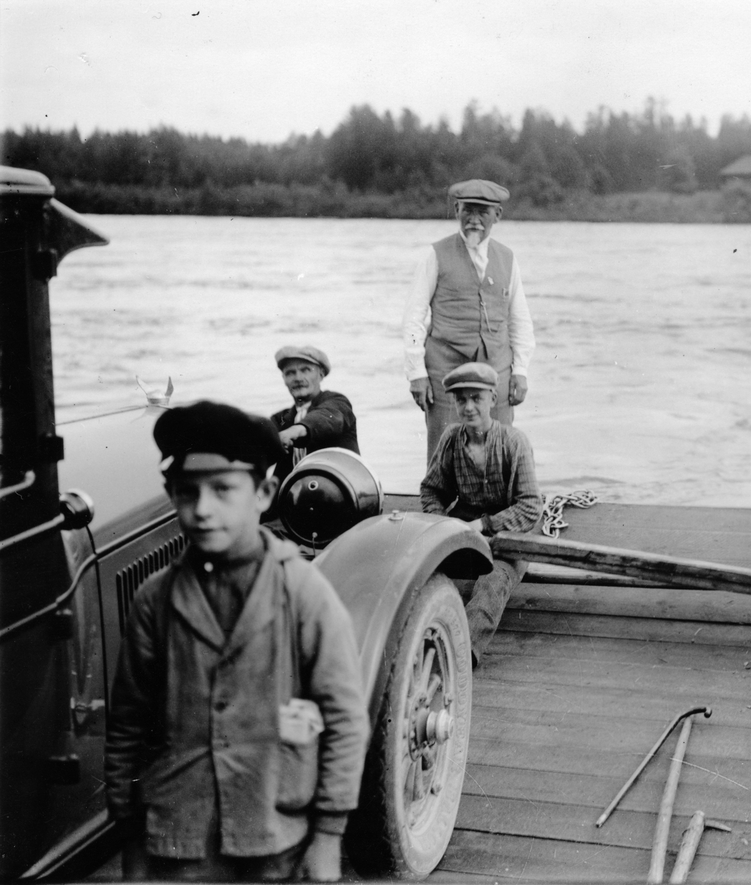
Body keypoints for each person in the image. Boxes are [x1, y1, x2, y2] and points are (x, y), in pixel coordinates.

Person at [105, 401, 370, 882]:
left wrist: (329, 835)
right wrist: (129, 834)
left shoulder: (302, 592)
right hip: (176, 840)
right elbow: (127, 724)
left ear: (264, 494)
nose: (203, 509)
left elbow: (345, 719)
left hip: (274, 837)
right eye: (188, 492)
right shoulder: (154, 600)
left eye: (223, 489)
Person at [401, 179, 536, 464]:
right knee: (443, 452)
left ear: (497, 215)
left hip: (497, 371)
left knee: (499, 450)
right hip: (445, 371)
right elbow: (414, 317)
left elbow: (520, 319)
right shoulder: (435, 254)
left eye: (483, 212)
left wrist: (521, 371)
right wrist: (416, 374)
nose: (474, 219)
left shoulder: (508, 258)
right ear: (456, 211)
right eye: (467, 211)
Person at [419, 363, 541, 667]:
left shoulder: (514, 442)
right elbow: (431, 490)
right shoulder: (450, 438)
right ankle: (411, 644)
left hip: (508, 537)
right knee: (422, 572)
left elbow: (530, 507)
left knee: (492, 582)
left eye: (476, 398)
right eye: (461, 400)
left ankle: (459, 657)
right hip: (462, 533)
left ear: (492, 398)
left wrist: (484, 525)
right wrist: (442, 524)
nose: (468, 407)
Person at [270, 345, 359, 481]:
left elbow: (325, 418)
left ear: (321, 374)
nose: (298, 378)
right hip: (294, 491)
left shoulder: (337, 402)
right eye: (290, 373)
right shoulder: (280, 418)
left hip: (341, 488)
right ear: (284, 379)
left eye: (305, 370)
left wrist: (295, 431)